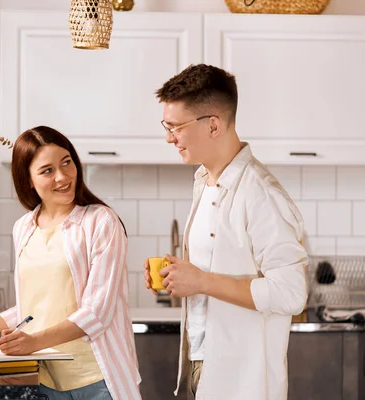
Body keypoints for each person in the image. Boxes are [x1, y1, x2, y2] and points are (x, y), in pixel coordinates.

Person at [144, 64, 309, 400]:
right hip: (202, 365)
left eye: (175, 127)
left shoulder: (260, 193)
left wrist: (201, 281)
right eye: (166, 126)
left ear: (213, 125)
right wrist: (180, 277)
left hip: (244, 380)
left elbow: (291, 293)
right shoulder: (205, 182)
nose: (168, 137)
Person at [0, 126, 141, 400]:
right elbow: (36, 307)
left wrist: (32, 342)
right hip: (48, 381)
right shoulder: (24, 228)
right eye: (47, 171)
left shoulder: (101, 222)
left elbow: (96, 312)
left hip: (99, 379)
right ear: (28, 180)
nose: (63, 177)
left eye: (67, 163)